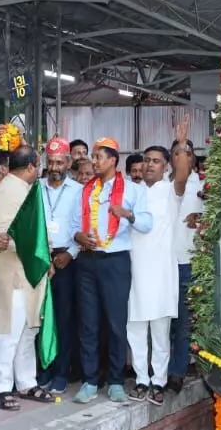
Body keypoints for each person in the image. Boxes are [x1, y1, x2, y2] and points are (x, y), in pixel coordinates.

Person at [71, 138, 153, 405]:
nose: (94, 162)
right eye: (93, 157)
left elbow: (146, 224)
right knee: (88, 323)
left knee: (116, 324)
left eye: (99, 157)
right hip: (87, 261)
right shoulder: (84, 191)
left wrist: (128, 215)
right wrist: (78, 236)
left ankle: (116, 381)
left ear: (113, 160)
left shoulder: (133, 190)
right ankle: (90, 380)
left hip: (115, 261)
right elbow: (74, 224)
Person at [126, 121, 192, 406]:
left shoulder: (170, 190)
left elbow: (183, 174)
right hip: (134, 270)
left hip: (162, 272)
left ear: (165, 166)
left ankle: (159, 381)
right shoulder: (132, 190)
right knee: (136, 328)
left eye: (156, 161)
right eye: (147, 160)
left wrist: (180, 145)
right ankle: (141, 379)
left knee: (160, 332)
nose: (150, 165)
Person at [0, 147, 54, 410]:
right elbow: (3, 235)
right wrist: (38, 253)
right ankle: (2, 388)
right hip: (15, 273)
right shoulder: (9, 190)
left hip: (31, 273)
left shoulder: (24, 189)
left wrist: (41, 255)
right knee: (10, 331)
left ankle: (26, 382)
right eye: (37, 166)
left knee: (29, 330)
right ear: (31, 166)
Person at [36, 138, 82, 396]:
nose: (54, 166)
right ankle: (43, 370)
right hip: (40, 259)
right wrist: (42, 258)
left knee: (63, 319)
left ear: (68, 162)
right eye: (50, 161)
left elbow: (82, 226)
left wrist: (71, 254)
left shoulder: (78, 190)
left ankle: (61, 373)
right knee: (39, 319)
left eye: (59, 162)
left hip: (66, 259)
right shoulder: (35, 188)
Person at [170, 138, 202, 392]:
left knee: (182, 323)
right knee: (162, 322)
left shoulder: (201, 185)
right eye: (178, 153)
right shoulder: (162, 185)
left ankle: (177, 371)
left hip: (187, 262)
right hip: (161, 263)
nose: (182, 157)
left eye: (187, 153)